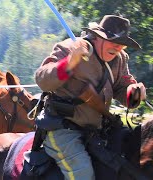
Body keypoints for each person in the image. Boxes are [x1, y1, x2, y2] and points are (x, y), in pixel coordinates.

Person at [34, 15, 146, 180]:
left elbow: (123, 92)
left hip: (99, 130)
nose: (118, 47)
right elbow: (42, 80)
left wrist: (134, 93)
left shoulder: (121, 59)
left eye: (122, 43)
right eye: (113, 40)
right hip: (62, 128)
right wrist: (71, 61)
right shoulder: (69, 47)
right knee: (83, 175)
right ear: (98, 36)